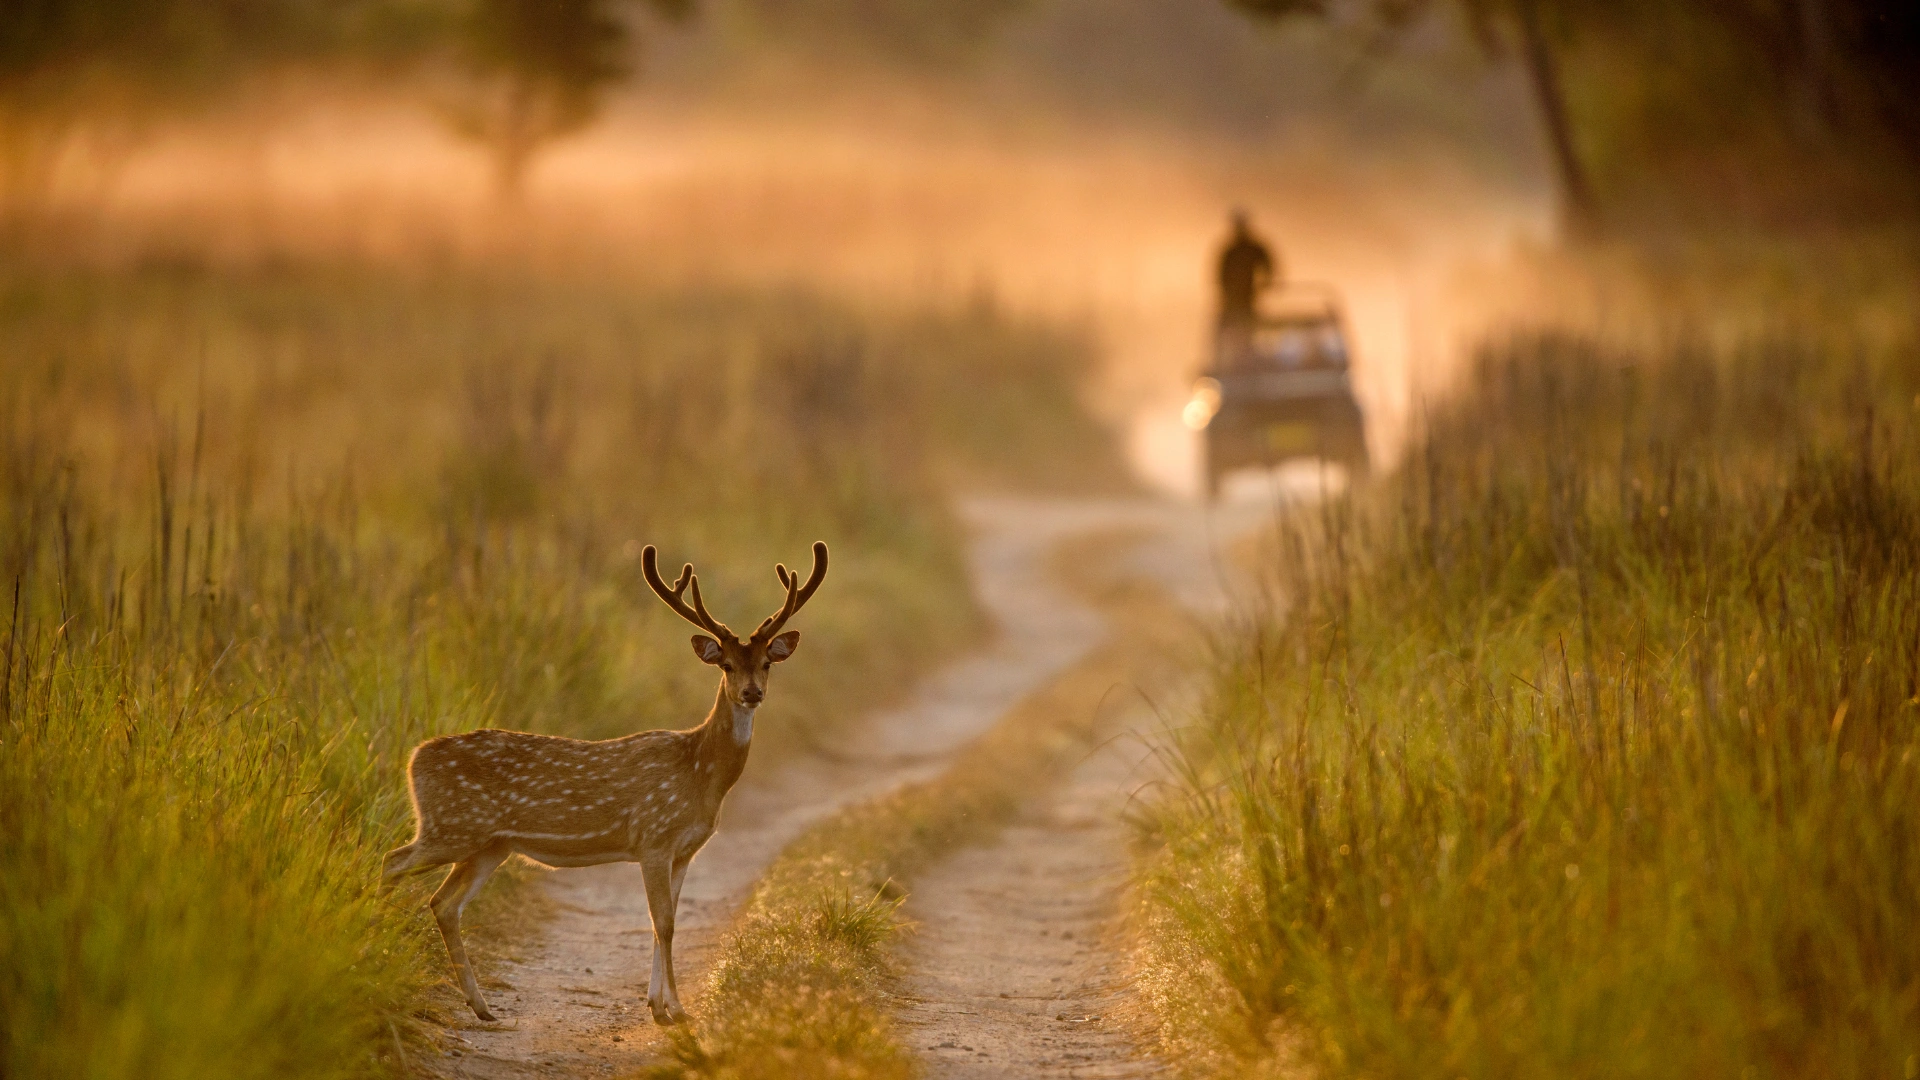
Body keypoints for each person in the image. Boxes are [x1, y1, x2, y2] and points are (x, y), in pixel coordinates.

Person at [1216, 209, 1277, 328]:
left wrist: (1266, 283)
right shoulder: (1231, 251)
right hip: (1233, 299)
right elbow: (1221, 275)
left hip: (1247, 297)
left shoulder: (1250, 249)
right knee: (1229, 325)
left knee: (1246, 324)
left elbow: (1268, 267)